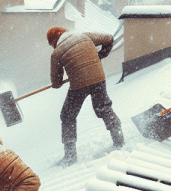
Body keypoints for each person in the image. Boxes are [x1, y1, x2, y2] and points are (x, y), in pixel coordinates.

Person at [47, 26, 123, 165]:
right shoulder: (84, 36)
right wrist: (100, 55)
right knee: (104, 108)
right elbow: (109, 39)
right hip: (98, 78)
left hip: (79, 85)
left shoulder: (57, 53)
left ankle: (70, 156)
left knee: (67, 116)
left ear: (54, 41)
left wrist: (58, 81)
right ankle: (119, 141)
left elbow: (56, 82)